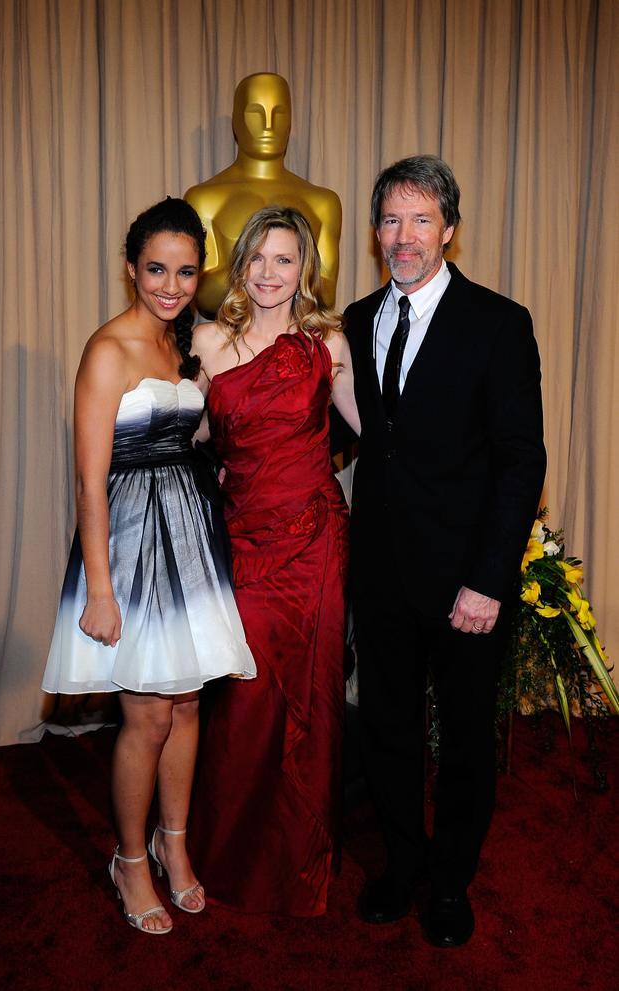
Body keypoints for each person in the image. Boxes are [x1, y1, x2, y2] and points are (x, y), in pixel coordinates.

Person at [344, 156, 546, 947]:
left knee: (464, 738)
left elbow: (521, 460)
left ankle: (453, 880)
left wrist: (489, 580)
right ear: (376, 232)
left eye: (421, 220)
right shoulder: (357, 321)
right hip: (383, 574)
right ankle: (402, 862)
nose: (404, 236)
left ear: (449, 232)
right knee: (389, 728)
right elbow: (353, 434)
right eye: (391, 220)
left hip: (468, 583)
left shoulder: (499, 322)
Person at [42, 197, 256, 935]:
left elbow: (195, 436)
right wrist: (99, 589)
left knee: (189, 703)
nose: (170, 283)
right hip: (130, 547)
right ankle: (130, 858)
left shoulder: (184, 343)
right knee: (146, 712)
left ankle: (176, 845)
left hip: (190, 536)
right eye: (156, 268)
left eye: (185, 271)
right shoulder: (108, 350)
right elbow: (88, 480)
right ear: (131, 268)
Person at [187, 205, 360, 916]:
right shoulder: (206, 340)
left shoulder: (329, 342)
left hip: (317, 542)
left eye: (283, 259)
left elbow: (375, 432)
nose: (267, 273)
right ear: (239, 265)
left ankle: (300, 857)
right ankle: (228, 852)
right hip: (245, 542)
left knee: (314, 699)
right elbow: (184, 436)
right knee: (244, 696)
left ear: (305, 269)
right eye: (256, 258)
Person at [184, 72, 341, 316]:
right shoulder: (204, 199)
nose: (268, 124)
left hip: (298, 343)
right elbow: (204, 294)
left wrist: (246, 276)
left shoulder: (322, 202)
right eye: (255, 113)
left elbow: (327, 294)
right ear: (236, 121)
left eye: (279, 113)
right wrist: (285, 273)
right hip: (228, 344)